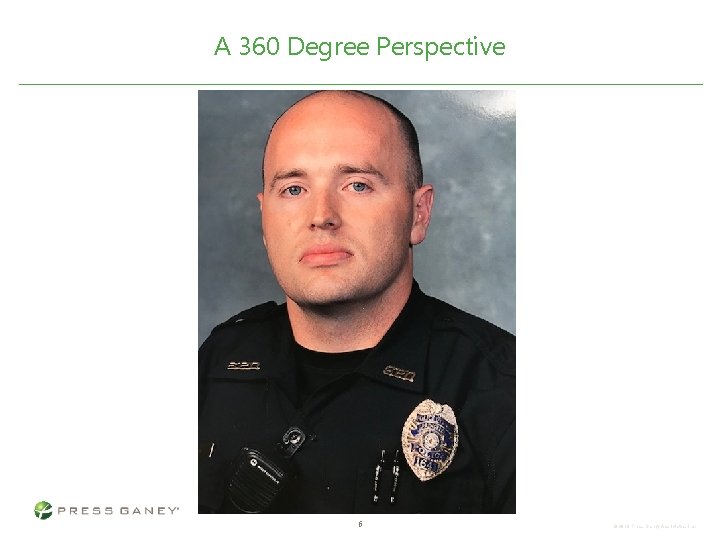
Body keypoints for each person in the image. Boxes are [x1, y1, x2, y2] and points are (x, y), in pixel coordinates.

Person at [198, 90, 515, 513]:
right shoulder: (217, 362)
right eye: (293, 189)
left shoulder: (505, 392)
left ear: (418, 214)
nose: (321, 216)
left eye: (357, 185)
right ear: (264, 217)